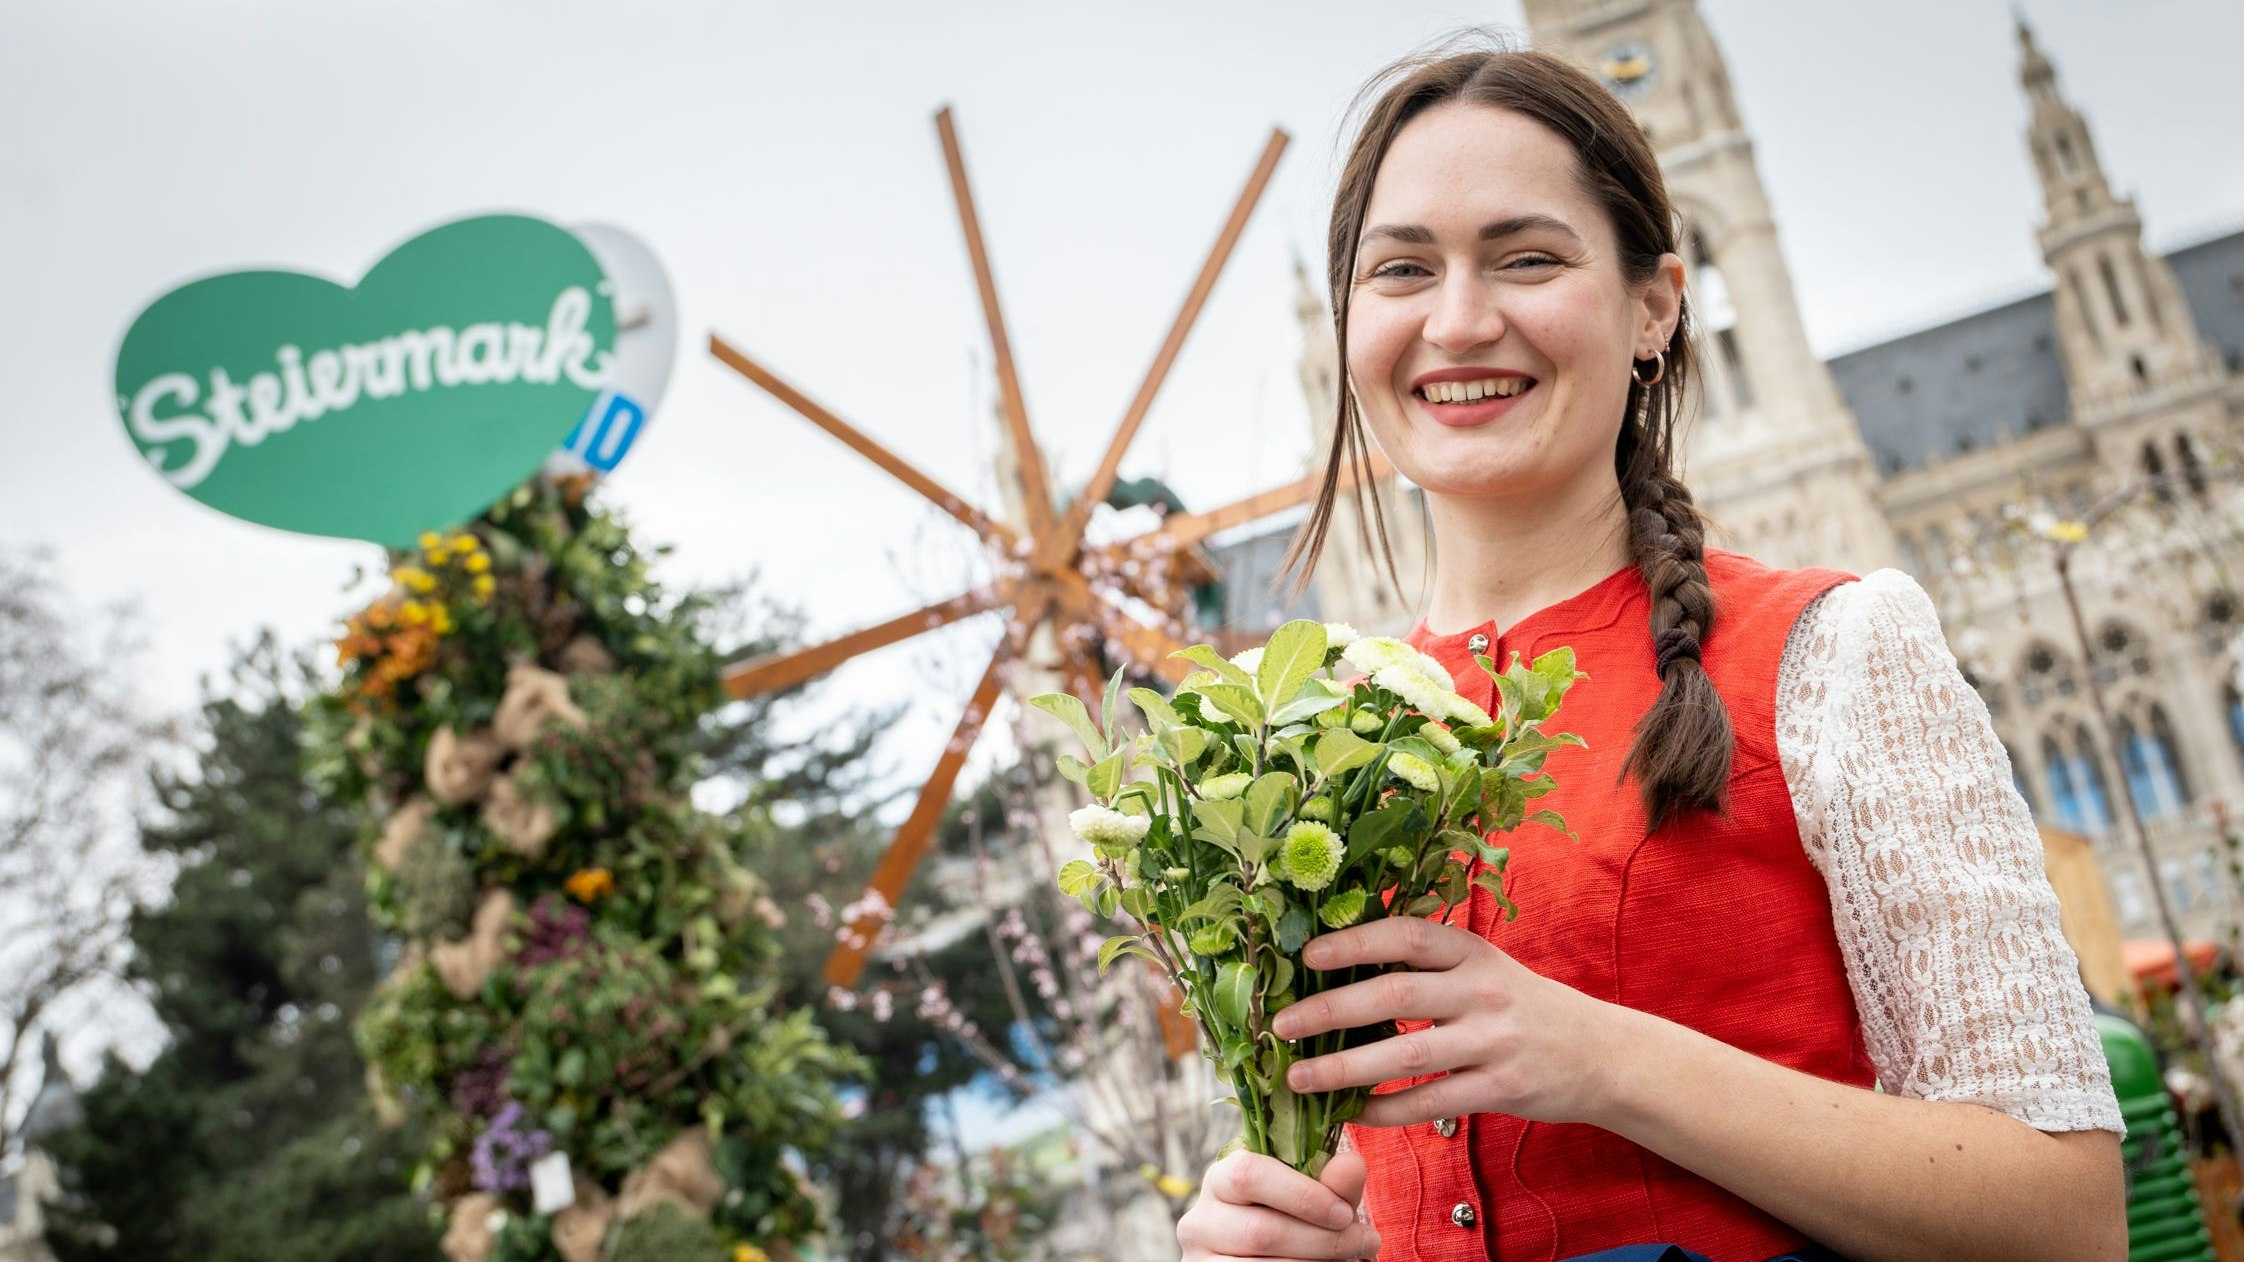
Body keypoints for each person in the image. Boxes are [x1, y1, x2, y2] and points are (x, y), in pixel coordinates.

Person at [1173, 39, 2127, 1262]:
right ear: (1346, 330)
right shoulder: (1313, 749)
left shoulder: (1832, 655)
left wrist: (1604, 1057)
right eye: (1402, 269)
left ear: (1655, 305)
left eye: (1527, 258)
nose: (1459, 320)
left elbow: (2067, 1221)